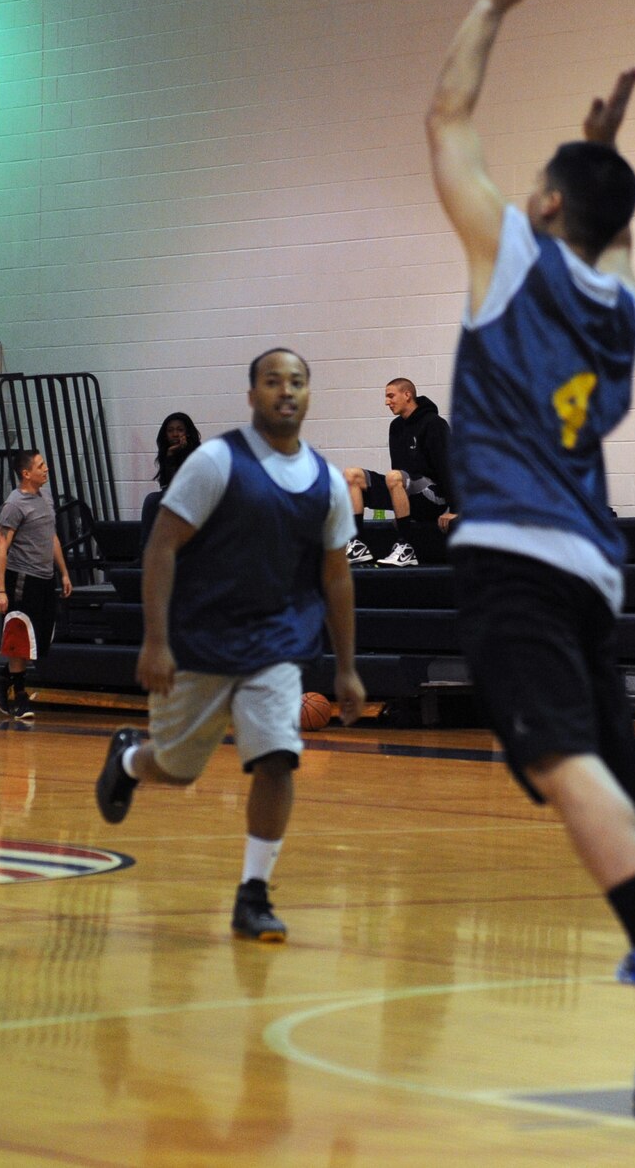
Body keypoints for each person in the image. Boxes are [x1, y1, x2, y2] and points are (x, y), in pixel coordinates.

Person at [425, 0, 635, 1109]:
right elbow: (619, 229)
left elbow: (446, 119)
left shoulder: (514, 255)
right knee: (620, 797)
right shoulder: (627, 308)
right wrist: (604, 164)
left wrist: (492, 2)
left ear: (544, 201)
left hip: (508, 545)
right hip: (595, 564)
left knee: (554, 760)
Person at [95, 349, 365, 943]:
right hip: (200, 641)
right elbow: (162, 546)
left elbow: (337, 577)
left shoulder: (325, 482)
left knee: (277, 758)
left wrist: (346, 669)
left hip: (275, 648)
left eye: (297, 382)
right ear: (252, 396)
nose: (286, 391)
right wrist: (156, 640)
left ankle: (254, 893)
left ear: (309, 395)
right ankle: (130, 761)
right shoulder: (216, 462)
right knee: (177, 766)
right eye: (273, 381)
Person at [0, 449, 73, 723]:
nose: (46, 469)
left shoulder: (44, 497)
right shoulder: (14, 504)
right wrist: (0, 590)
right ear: (26, 473)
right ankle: (19, 696)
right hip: (21, 578)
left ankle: (0, 680)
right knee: (20, 639)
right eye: (40, 465)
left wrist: (65, 573)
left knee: (40, 640)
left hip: (45, 579)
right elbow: (1, 548)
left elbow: (52, 537)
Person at [342, 379, 457, 568]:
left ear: (407, 395)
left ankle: (406, 547)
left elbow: (448, 467)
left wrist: (455, 509)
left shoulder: (434, 424)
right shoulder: (396, 427)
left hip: (433, 498)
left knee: (394, 476)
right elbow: (397, 468)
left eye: (390, 396)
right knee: (351, 475)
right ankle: (357, 545)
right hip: (405, 488)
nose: (387, 402)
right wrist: (399, 507)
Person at [140, 411, 202, 552]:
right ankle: (146, 552)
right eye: (170, 431)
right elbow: (168, 485)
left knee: (153, 500)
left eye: (180, 430)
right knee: (152, 500)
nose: (175, 434)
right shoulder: (167, 454)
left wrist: (184, 453)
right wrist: (170, 458)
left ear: (187, 433)